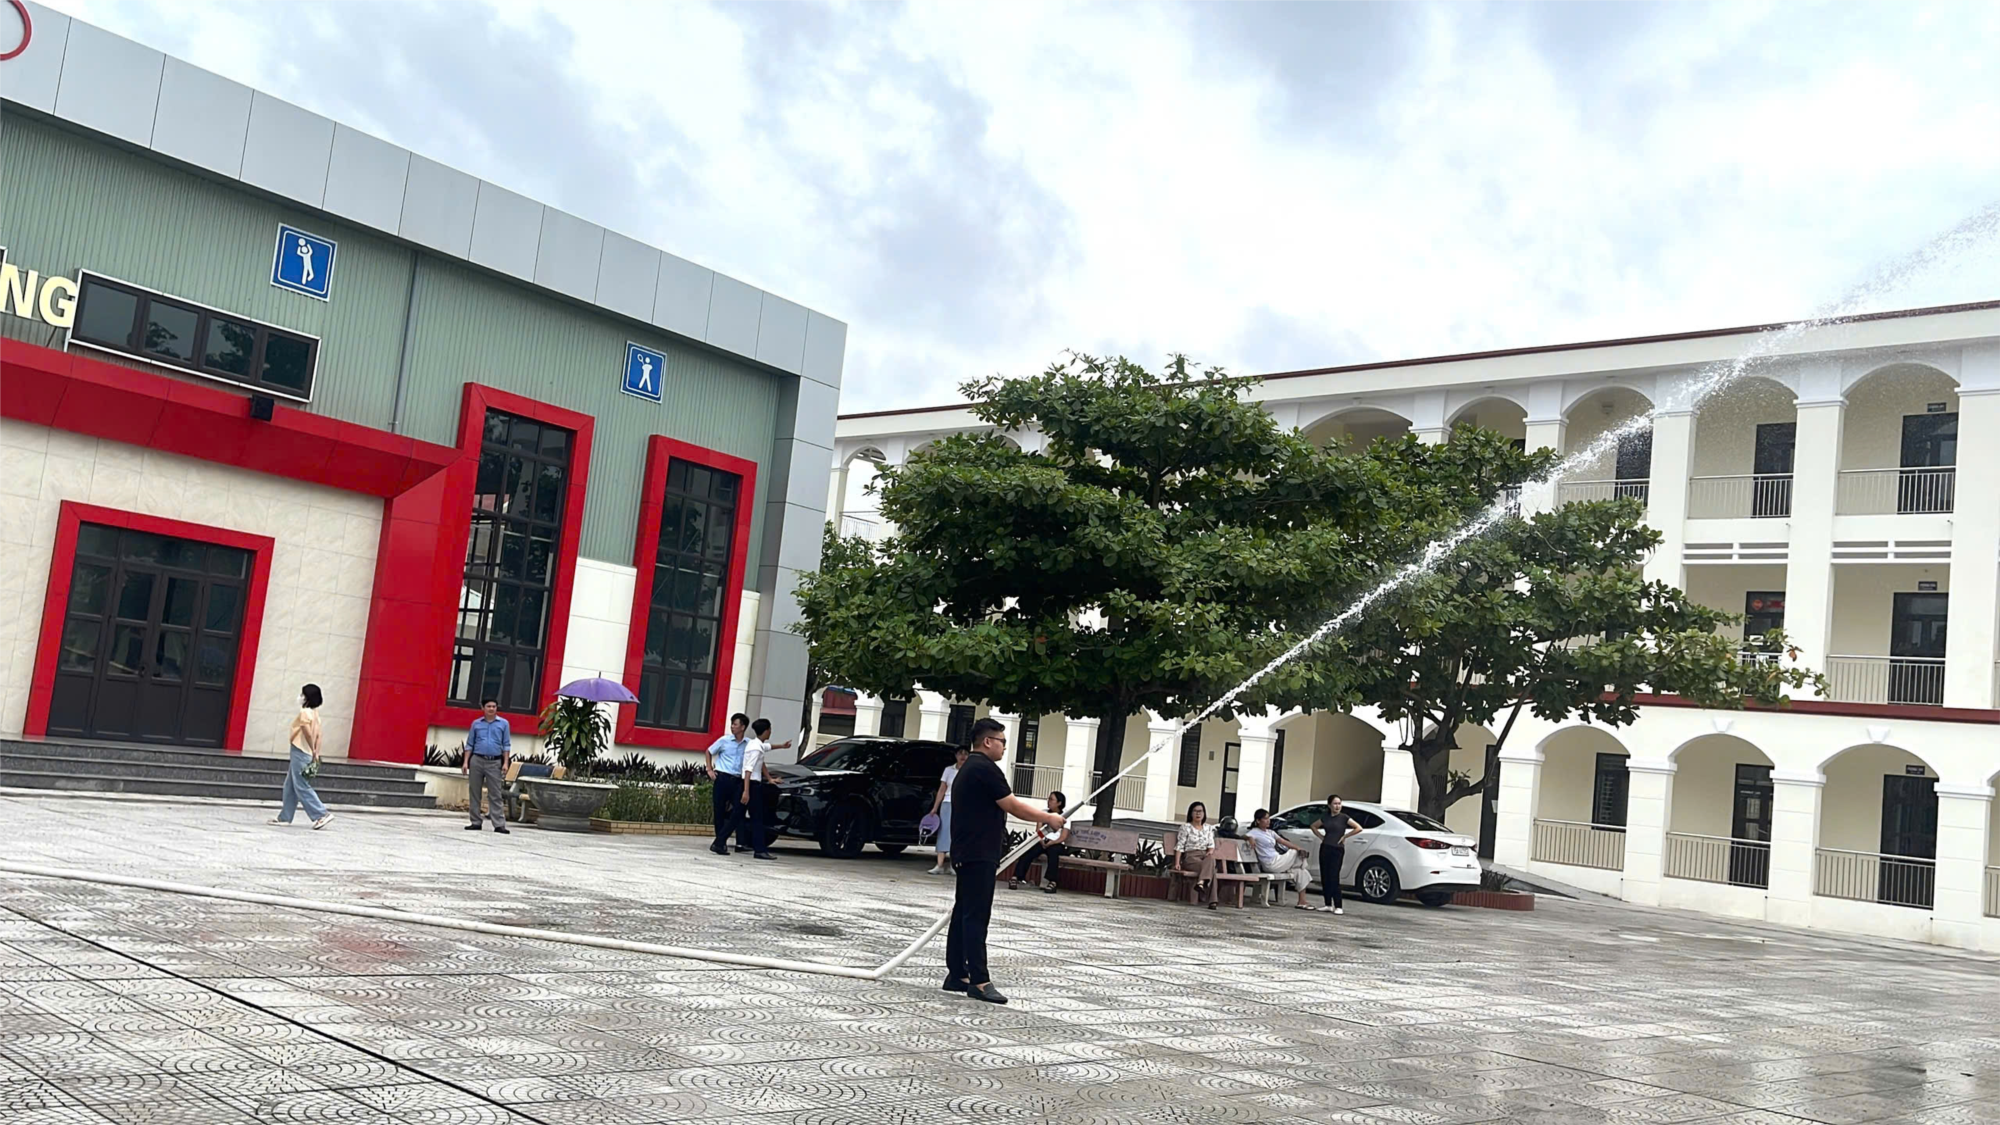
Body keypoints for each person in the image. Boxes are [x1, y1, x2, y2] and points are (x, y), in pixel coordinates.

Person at [944, 717, 1065, 1005]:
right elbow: (1012, 805)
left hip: (967, 850)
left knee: (963, 911)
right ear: (987, 742)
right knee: (976, 915)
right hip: (978, 852)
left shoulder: (969, 767)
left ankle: (957, 974)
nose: (1004, 747)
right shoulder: (985, 768)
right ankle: (979, 981)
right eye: (1001, 741)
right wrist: (1048, 817)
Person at [271, 684, 334, 829]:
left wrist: (312, 748)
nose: (300, 697)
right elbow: (319, 735)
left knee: (301, 785)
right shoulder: (315, 713)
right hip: (307, 752)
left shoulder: (305, 712)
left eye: (303, 694)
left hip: (300, 751)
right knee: (290, 785)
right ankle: (285, 817)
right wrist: (316, 752)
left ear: (307, 697)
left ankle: (321, 814)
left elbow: (307, 732)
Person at [739, 718, 793, 861]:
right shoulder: (756, 748)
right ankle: (760, 850)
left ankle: (719, 843)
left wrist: (782, 746)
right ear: (765, 731)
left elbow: (766, 751)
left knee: (737, 816)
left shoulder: (756, 744)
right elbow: (748, 770)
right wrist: (746, 791)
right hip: (751, 785)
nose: (771, 732)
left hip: (749, 785)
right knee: (757, 819)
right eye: (769, 729)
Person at [1245, 808, 1313, 909]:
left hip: (1279, 860)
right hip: (1271, 863)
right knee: (1295, 852)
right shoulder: (1254, 832)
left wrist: (1299, 847)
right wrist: (1249, 838)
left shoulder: (1271, 832)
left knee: (1301, 872)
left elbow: (1284, 842)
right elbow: (1243, 836)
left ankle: (1302, 902)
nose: (1268, 821)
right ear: (1258, 821)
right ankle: (1301, 865)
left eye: (1269, 818)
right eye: (1265, 819)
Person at [462, 697, 512, 834]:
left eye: (494, 706)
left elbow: (506, 745)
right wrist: (466, 762)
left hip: (494, 762)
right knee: (474, 792)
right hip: (477, 760)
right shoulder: (476, 724)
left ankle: (499, 824)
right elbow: (469, 744)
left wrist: (505, 763)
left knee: (495, 793)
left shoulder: (504, 724)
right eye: (488, 706)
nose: (491, 709)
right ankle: (475, 822)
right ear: (483, 708)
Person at [706, 713, 752, 856]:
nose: (732, 727)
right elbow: (709, 751)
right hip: (722, 778)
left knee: (738, 811)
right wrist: (709, 769)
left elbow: (762, 751)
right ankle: (721, 844)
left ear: (743, 727)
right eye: (732, 724)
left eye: (735, 724)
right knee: (719, 811)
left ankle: (722, 841)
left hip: (738, 781)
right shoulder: (724, 740)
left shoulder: (749, 744)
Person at [1311, 794, 1364, 914]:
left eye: (1339, 804)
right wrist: (1321, 837)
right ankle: (1328, 904)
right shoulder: (1325, 817)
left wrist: (1345, 836)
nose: (1337, 806)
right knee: (1325, 876)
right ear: (1329, 805)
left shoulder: (1344, 817)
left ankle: (1338, 905)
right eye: (1335, 804)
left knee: (1334, 876)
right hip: (1325, 847)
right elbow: (1313, 826)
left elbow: (1358, 828)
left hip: (1337, 849)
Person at [1009, 791, 1071, 892]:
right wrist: (1041, 840)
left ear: (1059, 803)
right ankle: (1016, 877)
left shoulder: (1065, 816)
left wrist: (1052, 842)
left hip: (1056, 843)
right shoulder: (1043, 813)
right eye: (1049, 799)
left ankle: (1052, 882)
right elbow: (1038, 830)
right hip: (1042, 840)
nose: (1048, 801)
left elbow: (1063, 836)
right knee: (1028, 851)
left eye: (1051, 799)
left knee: (1053, 853)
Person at [926, 745, 970, 875]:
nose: (962, 756)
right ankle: (939, 864)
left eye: (965, 753)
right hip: (947, 803)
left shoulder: (969, 770)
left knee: (957, 834)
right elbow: (942, 789)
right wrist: (935, 807)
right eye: (960, 753)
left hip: (962, 805)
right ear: (956, 755)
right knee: (944, 832)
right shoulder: (948, 770)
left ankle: (953, 864)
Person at [1174, 801, 1220, 909]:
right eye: (1195, 811)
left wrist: (1210, 851)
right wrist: (1177, 863)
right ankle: (1212, 901)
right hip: (1191, 857)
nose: (1198, 813)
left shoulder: (1208, 828)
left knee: (1210, 859)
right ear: (1191, 813)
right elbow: (1180, 846)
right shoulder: (1186, 827)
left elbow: (1211, 845)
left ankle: (1201, 883)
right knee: (1211, 871)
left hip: (1204, 856)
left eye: (1200, 811)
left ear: (1204, 813)